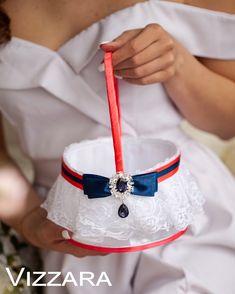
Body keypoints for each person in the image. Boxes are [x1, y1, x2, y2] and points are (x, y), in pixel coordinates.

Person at [0, 0, 235, 293]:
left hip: (184, 209)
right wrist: (27, 219)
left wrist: (178, 65)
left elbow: (228, 123)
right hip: (70, 230)